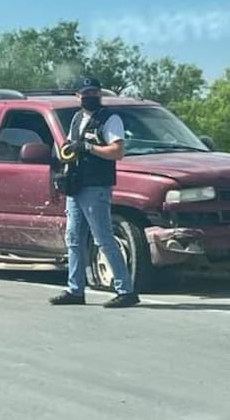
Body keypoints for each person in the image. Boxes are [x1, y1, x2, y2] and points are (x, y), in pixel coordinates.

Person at [49, 76, 140, 308]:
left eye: (94, 93)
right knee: (74, 239)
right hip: (76, 186)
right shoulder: (77, 118)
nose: (90, 97)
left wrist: (89, 147)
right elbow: (69, 146)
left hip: (96, 186)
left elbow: (117, 151)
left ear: (100, 94)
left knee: (103, 238)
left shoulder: (110, 119)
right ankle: (75, 289)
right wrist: (64, 154)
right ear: (77, 96)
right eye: (86, 93)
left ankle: (126, 290)